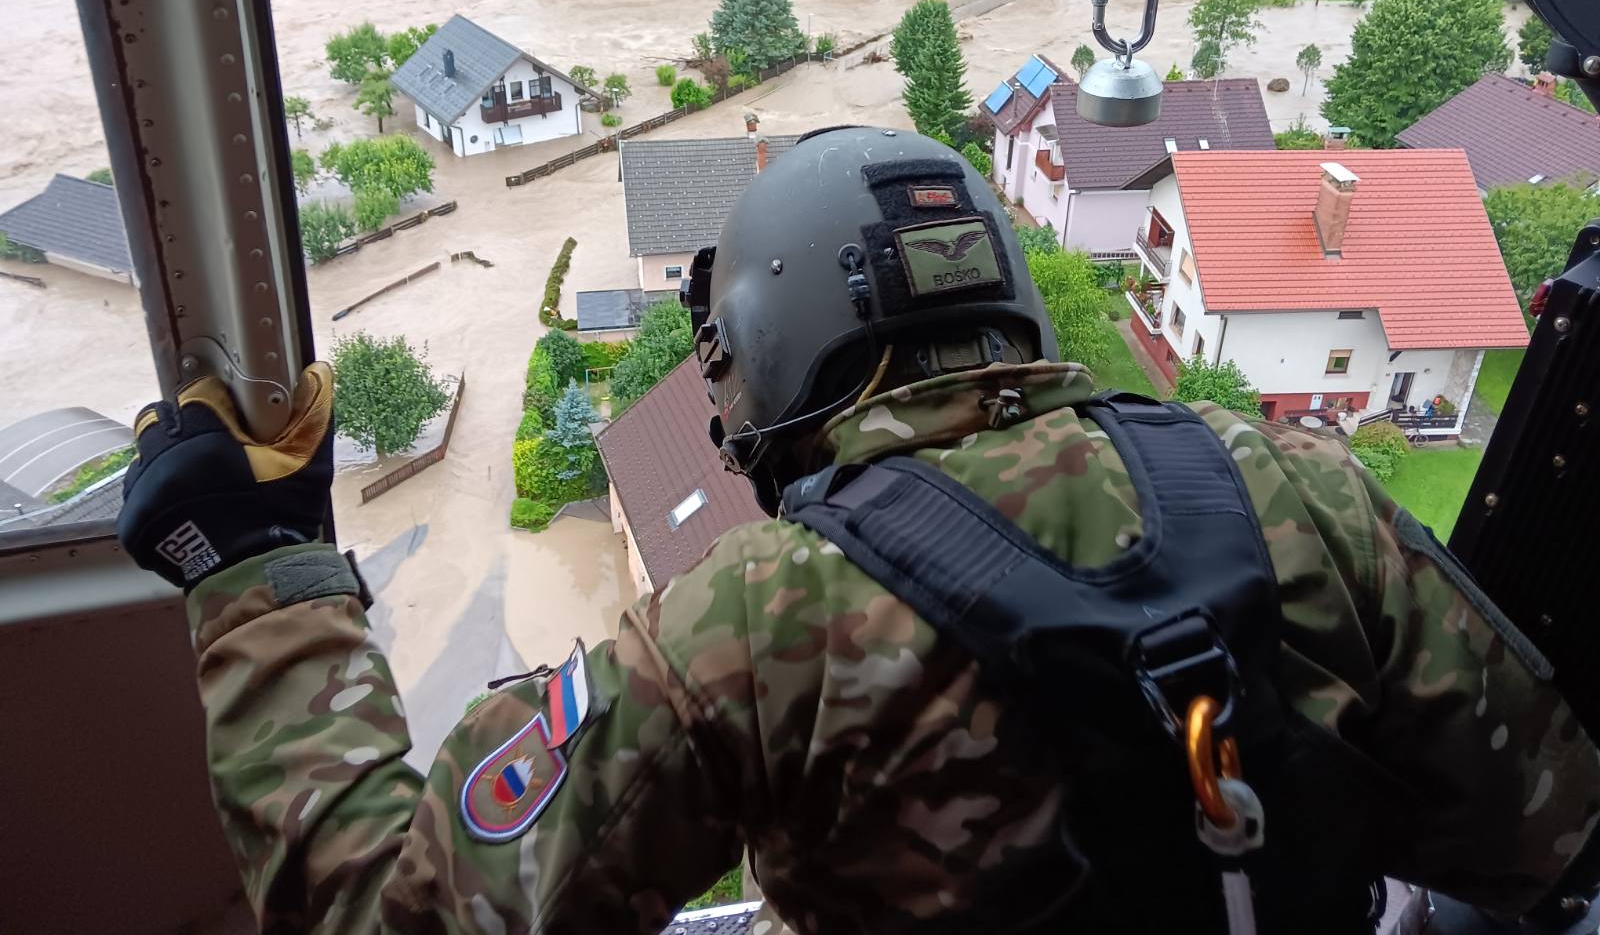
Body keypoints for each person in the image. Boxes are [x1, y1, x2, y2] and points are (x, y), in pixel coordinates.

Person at [118, 127, 1600, 935]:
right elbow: (1539, 832)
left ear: (768, 365)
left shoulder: (754, 621)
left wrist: (256, 574)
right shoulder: (1299, 484)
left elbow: (392, 917)